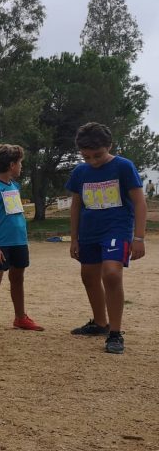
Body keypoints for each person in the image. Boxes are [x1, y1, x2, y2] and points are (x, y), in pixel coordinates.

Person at [66, 122, 147, 354]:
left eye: (98, 155)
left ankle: (115, 333)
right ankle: (100, 323)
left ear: (109, 146)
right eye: (86, 157)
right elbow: (76, 206)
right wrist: (74, 238)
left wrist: (139, 237)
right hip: (89, 232)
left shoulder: (124, 167)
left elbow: (139, 202)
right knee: (88, 275)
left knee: (111, 273)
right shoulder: (80, 172)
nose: (93, 161)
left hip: (116, 229)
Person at [0, 144, 44, 340]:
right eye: (20, 163)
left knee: (18, 279)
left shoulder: (15, 186)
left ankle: (20, 318)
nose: (21, 166)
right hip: (1, 245)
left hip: (19, 242)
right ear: (12, 165)